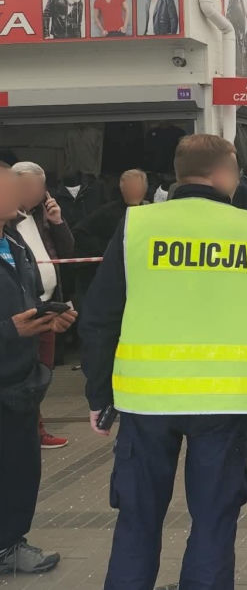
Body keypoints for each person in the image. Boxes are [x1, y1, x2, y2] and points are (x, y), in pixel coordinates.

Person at [79, 134, 247, 589]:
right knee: (214, 524)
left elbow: (100, 316)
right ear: (225, 173)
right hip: (224, 402)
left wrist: (99, 394)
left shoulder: (138, 226)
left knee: (137, 523)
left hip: (146, 402)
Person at [0, 162, 77, 575]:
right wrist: (8, 329)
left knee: (20, 466)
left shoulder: (15, 240)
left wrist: (49, 317)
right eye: (9, 186)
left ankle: (10, 541)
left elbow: (27, 296)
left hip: (19, 380)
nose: (18, 195)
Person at [11, 162, 75, 450]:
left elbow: (68, 250)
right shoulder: (10, 222)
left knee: (43, 370)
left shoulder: (39, 217)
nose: (34, 193)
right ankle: (30, 430)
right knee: (24, 373)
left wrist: (58, 221)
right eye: (26, 187)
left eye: (39, 187)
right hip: (21, 312)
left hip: (45, 305)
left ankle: (34, 428)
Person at [74, 171, 149, 303]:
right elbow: (79, 232)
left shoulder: (151, 213)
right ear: (122, 189)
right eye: (128, 187)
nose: (132, 191)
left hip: (140, 275)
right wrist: (107, 248)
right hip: (113, 275)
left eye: (136, 187)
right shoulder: (107, 212)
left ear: (144, 189)